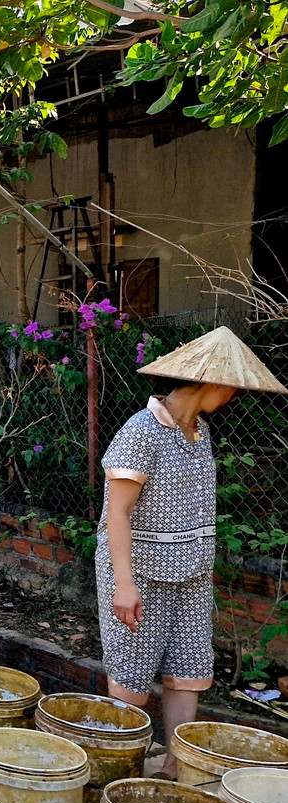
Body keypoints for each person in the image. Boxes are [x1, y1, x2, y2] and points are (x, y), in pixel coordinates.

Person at [97, 327, 287, 779]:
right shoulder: (141, 432)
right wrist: (124, 584)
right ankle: (118, 771)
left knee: (188, 671)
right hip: (140, 574)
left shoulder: (199, 431)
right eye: (233, 391)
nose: (232, 399)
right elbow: (117, 515)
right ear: (215, 384)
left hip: (192, 575)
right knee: (131, 678)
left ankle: (173, 768)